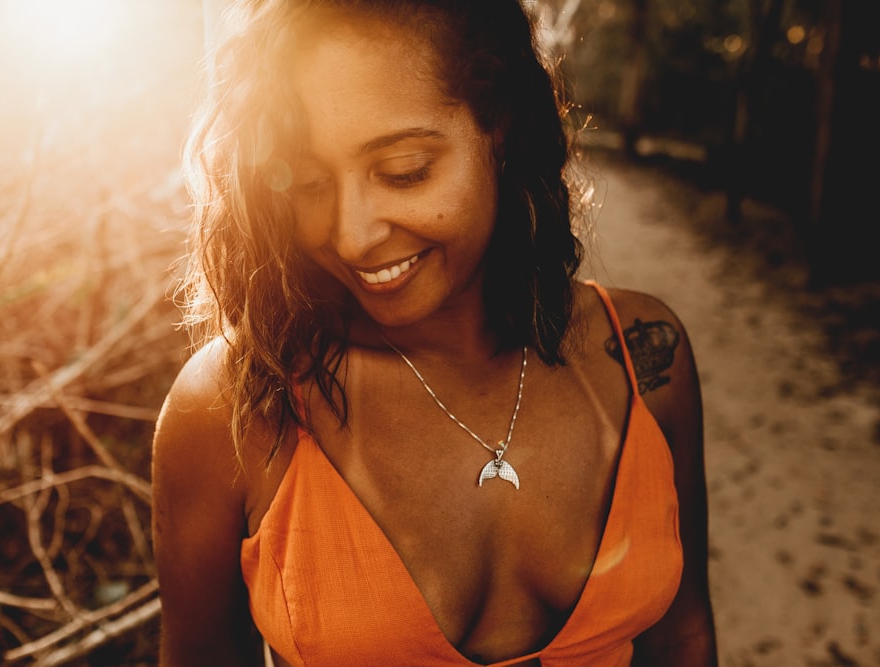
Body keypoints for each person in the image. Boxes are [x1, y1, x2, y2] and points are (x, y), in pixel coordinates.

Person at [151, 0, 718, 665]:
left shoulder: (644, 354)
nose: (351, 234)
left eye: (404, 171)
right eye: (309, 183)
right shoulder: (237, 405)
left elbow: (682, 635)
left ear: (499, 128)